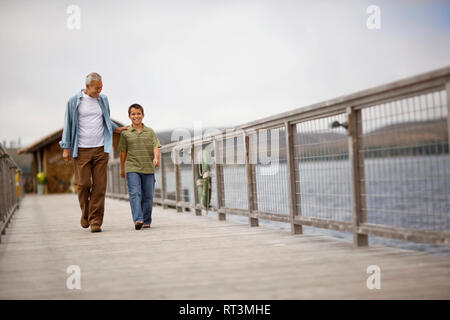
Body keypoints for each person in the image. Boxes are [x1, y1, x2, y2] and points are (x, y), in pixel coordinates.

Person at [59, 72, 128, 233]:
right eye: (97, 88)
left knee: (100, 186)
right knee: (83, 184)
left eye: (101, 87)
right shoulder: (74, 101)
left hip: (101, 149)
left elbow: (105, 119)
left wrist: (116, 129)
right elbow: (68, 123)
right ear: (87, 86)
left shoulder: (103, 100)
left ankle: (96, 221)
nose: (100, 91)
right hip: (81, 149)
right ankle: (86, 213)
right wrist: (65, 147)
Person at [119, 104, 161, 230]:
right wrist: (122, 169)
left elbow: (156, 146)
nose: (136, 116)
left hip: (148, 167)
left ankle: (147, 220)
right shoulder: (125, 133)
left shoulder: (150, 132)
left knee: (148, 195)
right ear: (129, 116)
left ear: (143, 115)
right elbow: (123, 152)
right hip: (132, 167)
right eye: (133, 114)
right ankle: (138, 219)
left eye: (138, 113)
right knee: (135, 193)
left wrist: (156, 158)